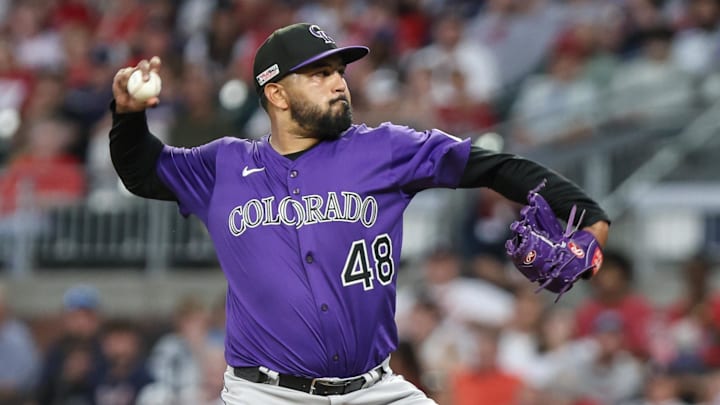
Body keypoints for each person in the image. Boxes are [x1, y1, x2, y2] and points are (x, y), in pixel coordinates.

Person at [108, 22, 610, 405]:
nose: (338, 84)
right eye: (319, 73)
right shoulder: (223, 164)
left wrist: (589, 219)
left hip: (374, 390)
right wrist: (129, 116)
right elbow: (142, 171)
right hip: (266, 395)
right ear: (276, 93)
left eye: (339, 72)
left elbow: (494, 166)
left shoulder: (384, 149)